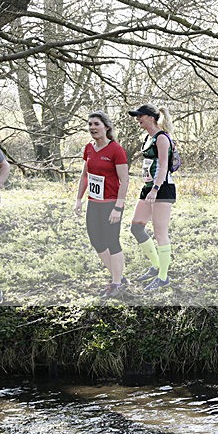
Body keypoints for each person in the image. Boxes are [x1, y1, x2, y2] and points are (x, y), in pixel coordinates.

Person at [73, 112, 129, 298]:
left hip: (111, 203)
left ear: (106, 127)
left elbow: (125, 180)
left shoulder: (116, 150)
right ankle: (118, 277)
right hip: (93, 204)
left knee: (112, 241)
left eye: (96, 124)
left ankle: (116, 283)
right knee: (96, 242)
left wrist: (118, 207)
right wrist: (78, 199)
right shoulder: (89, 148)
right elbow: (85, 176)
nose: (92, 127)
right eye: (89, 124)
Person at [128, 104, 177, 290]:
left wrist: (155, 188)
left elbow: (163, 166)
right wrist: (150, 187)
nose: (137, 118)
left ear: (151, 117)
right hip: (148, 187)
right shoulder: (148, 138)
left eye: (140, 115)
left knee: (160, 233)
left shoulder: (162, 138)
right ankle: (157, 266)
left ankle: (163, 277)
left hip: (162, 189)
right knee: (136, 227)